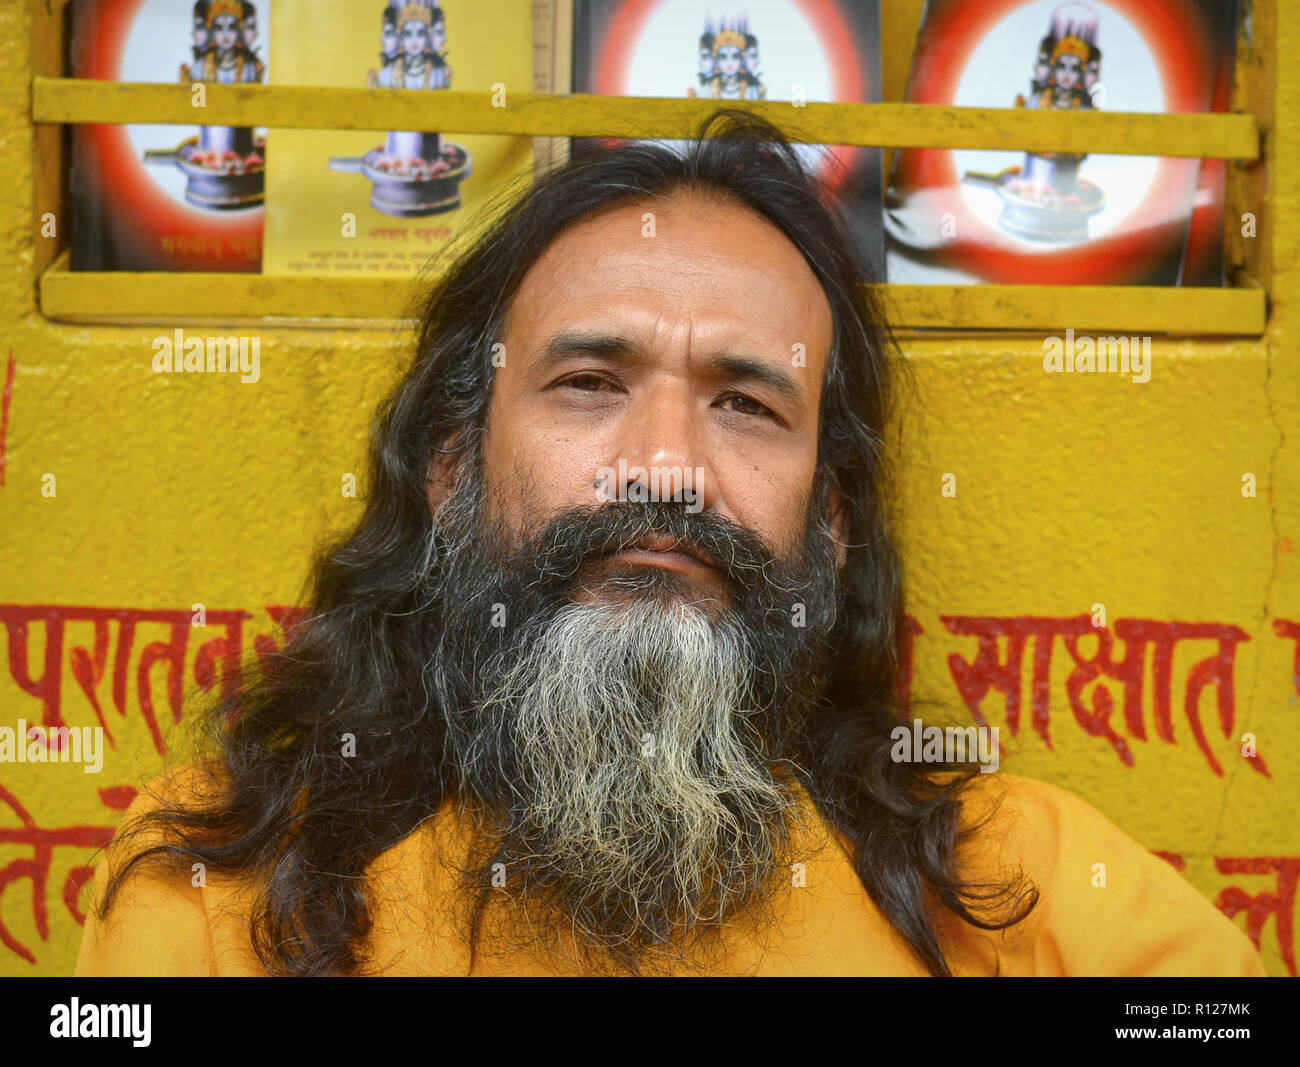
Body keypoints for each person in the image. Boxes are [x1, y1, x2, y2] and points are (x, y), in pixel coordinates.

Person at [76, 110, 1267, 978]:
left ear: (833, 524)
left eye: (746, 403)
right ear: (450, 471)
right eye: (590, 381)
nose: (665, 466)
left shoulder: (1026, 894)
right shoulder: (221, 891)